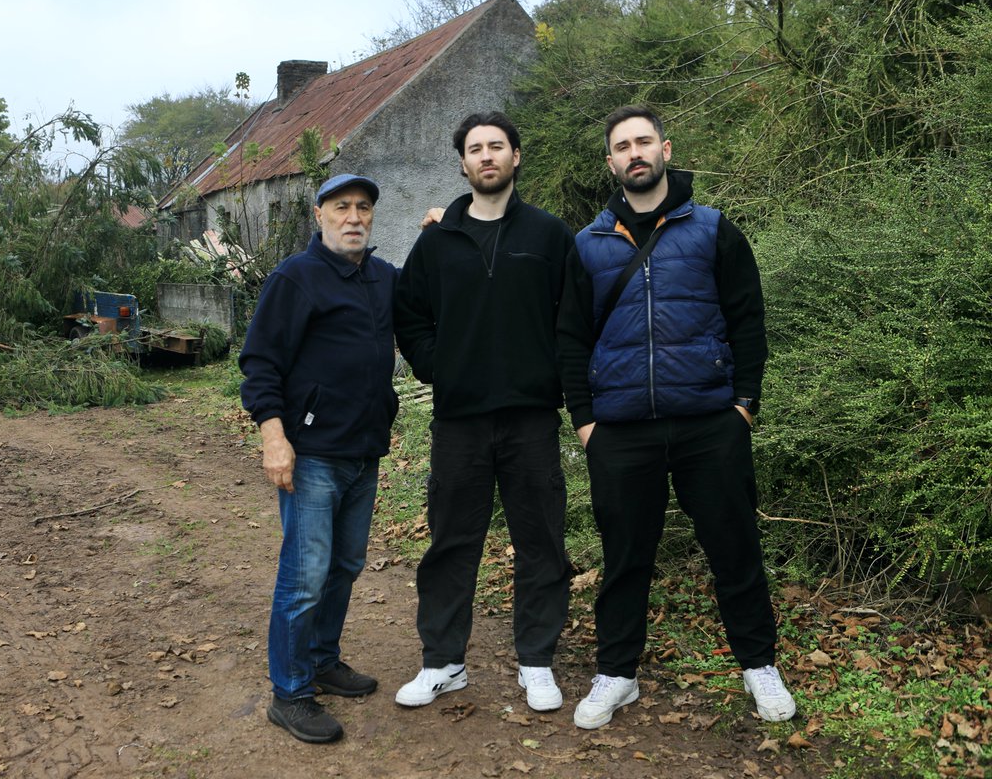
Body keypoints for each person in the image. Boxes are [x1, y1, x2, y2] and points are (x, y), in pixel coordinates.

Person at [556, 105, 796, 729]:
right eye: (621, 146)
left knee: (734, 546)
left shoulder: (715, 230)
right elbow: (570, 340)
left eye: (643, 141)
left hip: (709, 423)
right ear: (610, 162)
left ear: (666, 149)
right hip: (621, 430)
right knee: (625, 557)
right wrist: (586, 422)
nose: (634, 152)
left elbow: (748, 323)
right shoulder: (588, 244)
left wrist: (744, 405)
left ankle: (759, 665)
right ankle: (617, 673)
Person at [394, 112, 574, 713]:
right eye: (475, 149)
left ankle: (537, 663)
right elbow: (410, 313)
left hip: (530, 418)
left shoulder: (550, 236)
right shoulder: (437, 240)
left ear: (516, 157)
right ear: (463, 164)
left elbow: (573, 319)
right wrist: (434, 366)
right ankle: (443, 662)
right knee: (451, 540)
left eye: (497, 146)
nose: (487, 156)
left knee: (542, 539)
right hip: (460, 419)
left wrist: (559, 381)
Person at [238, 174, 399, 744]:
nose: (353, 217)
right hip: (311, 456)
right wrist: (273, 437)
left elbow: (434, 295)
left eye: (362, 208)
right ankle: (291, 693)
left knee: (345, 566)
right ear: (319, 214)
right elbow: (259, 362)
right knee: (304, 577)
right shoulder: (296, 277)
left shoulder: (382, 278)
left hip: (364, 452)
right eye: (341, 208)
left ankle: (323, 661)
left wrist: (443, 231)